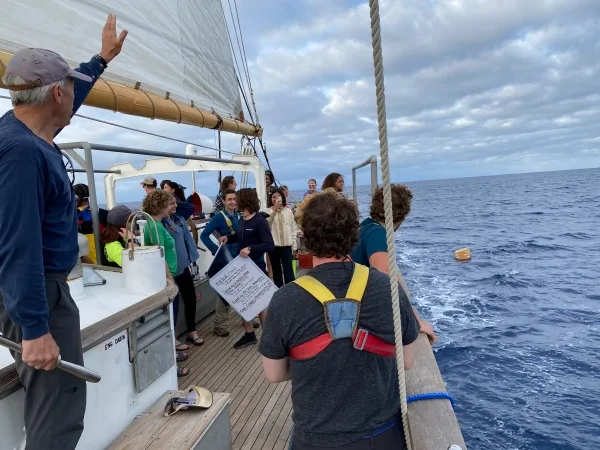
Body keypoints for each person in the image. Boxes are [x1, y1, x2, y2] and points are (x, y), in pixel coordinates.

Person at [0, 14, 127, 449]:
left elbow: (69, 96)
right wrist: (35, 329)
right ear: (56, 92)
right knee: (58, 414)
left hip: (37, 291)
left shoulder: (21, 129)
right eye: (70, 87)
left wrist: (102, 60)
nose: (75, 95)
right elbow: (18, 246)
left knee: (56, 410)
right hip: (41, 294)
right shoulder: (21, 155)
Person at [259, 191, 419, 450]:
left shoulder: (284, 299)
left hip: (316, 438)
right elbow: (408, 360)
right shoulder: (387, 288)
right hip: (381, 436)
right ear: (353, 236)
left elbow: (274, 374)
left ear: (307, 239)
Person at [351, 184, 437, 344]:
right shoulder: (378, 234)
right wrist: (416, 321)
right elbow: (387, 279)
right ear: (403, 215)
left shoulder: (365, 226)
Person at [142, 190, 192, 377]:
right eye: (170, 203)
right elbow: (159, 256)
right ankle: (170, 365)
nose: (176, 206)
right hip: (166, 281)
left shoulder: (155, 224)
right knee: (167, 322)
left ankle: (171, 355)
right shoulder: (154, 227)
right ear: (160, 205)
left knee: (169, 320)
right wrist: (171, 281)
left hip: (167, 277)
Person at [221, 188, 274, 349]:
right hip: (243, 267)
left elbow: (269, 245)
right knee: (243, 302)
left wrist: (251, 249)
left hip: (256, 266)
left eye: (237, 199)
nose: (234, 202)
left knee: (261, 304)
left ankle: (269, 336)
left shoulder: (259, 221)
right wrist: (228, 238)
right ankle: (249, 334)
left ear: (245, 201)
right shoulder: (242, 219)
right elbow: (239, 235)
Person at [162, 193, 203, 347]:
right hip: (171, 270)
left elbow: (190, 207)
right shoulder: (161, 223)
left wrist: (173, 200)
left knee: (190, 299)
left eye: (175, 203)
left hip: (183, 266)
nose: (176, 206)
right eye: (171, 203)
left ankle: (192, 331)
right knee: (173, 304)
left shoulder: (178, 218)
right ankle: (172, 339)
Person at [200, 188, 240, 337]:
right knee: (226, 291)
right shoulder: (218, 217)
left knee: (241, 288)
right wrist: (215, 251)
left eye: (234, 199)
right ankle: (220, 325)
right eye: (229, 199)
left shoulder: (237, 215)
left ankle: (246, 318)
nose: (232, 202)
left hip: (239, 257)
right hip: (226, 258)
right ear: (223, 201)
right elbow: (204, 235)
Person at [266, 188, 298, 287]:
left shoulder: (288, 211)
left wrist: (294, 246)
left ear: (282, 198)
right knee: (276, 272)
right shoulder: (267, 211)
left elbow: (293, 228)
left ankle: (290, 292)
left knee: (289, 272)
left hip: (286, 246)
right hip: (273, 247)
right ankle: (278, 291)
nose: (276, 199)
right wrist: (274, 211)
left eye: (278, 196)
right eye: (273, 197)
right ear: (270, 199)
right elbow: (266, 225)